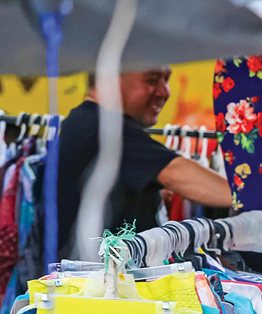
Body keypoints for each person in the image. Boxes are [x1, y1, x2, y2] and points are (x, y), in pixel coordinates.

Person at [57, 68, 235, 256]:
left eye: (166, 81)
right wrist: (258, 198)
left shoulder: (86, 122)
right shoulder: (103, 129)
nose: (165, 91)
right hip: (100, 280)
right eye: (151, 80)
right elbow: (176, 173)